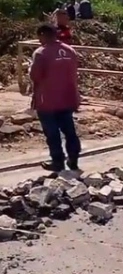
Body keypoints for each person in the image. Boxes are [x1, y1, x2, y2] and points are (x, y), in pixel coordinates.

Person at [30, 24, 82, 174]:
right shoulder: (70, 50)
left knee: (52, 133)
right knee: (69, 130)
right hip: (67, 97)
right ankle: (73, 159)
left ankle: (57, 162)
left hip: (47, 99)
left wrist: (29, 69)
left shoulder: (41, 53)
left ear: (42, 35)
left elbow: (35, 76)